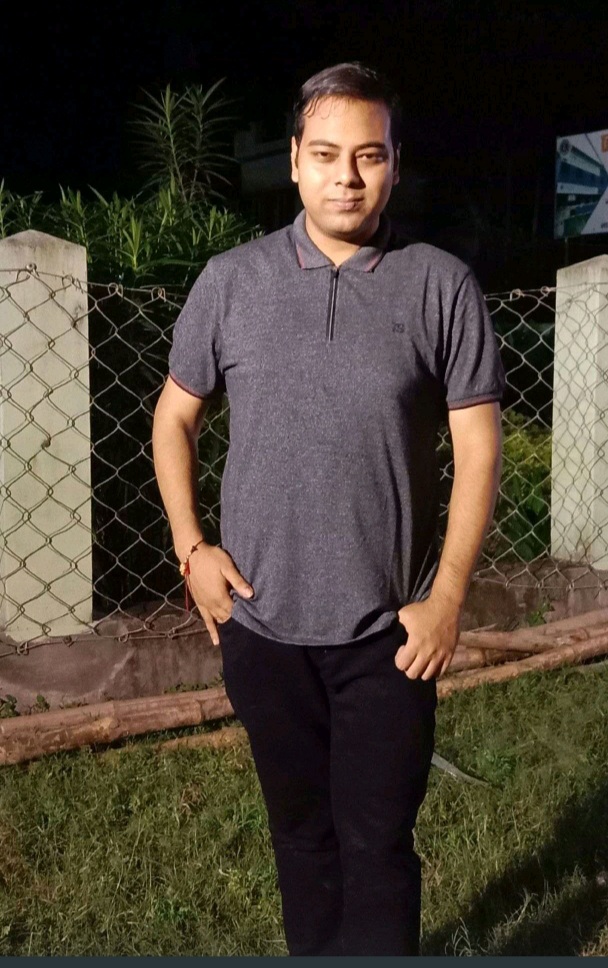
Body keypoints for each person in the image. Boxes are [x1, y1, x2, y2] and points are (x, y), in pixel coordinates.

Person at [152, 62, 505, 956]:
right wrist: (192, 549)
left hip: (389, 635)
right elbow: (173, 418)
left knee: (379, 848)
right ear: (294, 162)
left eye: (369, 155)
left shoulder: (440, 286)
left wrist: (448, 598)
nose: (347, 176)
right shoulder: (232, 281)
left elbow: (478, 449)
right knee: (301, 841)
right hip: (261, 627)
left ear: (395, 164)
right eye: (325, 154)